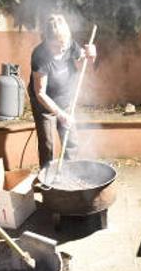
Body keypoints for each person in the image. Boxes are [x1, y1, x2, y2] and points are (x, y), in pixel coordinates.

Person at [28, 15, 97, 168]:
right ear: (47, 40)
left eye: (64, 44)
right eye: (57, 45)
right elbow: (40, 93)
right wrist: (59, 114)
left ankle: (67, 175)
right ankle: (47, 180)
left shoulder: (68, 44)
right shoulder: (40, 57)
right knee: (48, 145)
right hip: (44, 105)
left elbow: (83, 57)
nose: (62, 49)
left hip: (65, 100)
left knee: (71, 142)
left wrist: (91, 55)